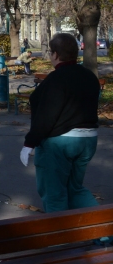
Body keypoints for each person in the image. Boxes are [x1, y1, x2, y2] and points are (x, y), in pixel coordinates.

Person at [20, 32, 100, 213]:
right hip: (88, 140)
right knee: (75, 189)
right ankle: (105, 232)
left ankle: (60, 239)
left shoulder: (56, 80)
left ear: (55, 54)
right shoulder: (89, 77)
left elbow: (47, 115)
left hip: (60, 143)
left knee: (54, 194)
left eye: (50, 52)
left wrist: (29, 143)